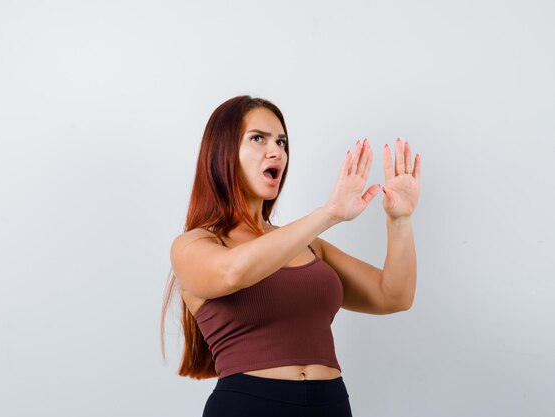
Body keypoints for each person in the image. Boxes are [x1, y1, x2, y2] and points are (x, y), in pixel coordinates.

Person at [161, 95, 421, 417]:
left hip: (330, 403)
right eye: (258, 138)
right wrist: (328, 214)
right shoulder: (194, 245)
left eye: (282, 142)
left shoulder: (309, 246)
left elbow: (393, 295)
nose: (277, 152)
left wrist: (400, 220)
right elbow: (233, 273)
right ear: (223, 152)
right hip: (249, 405)